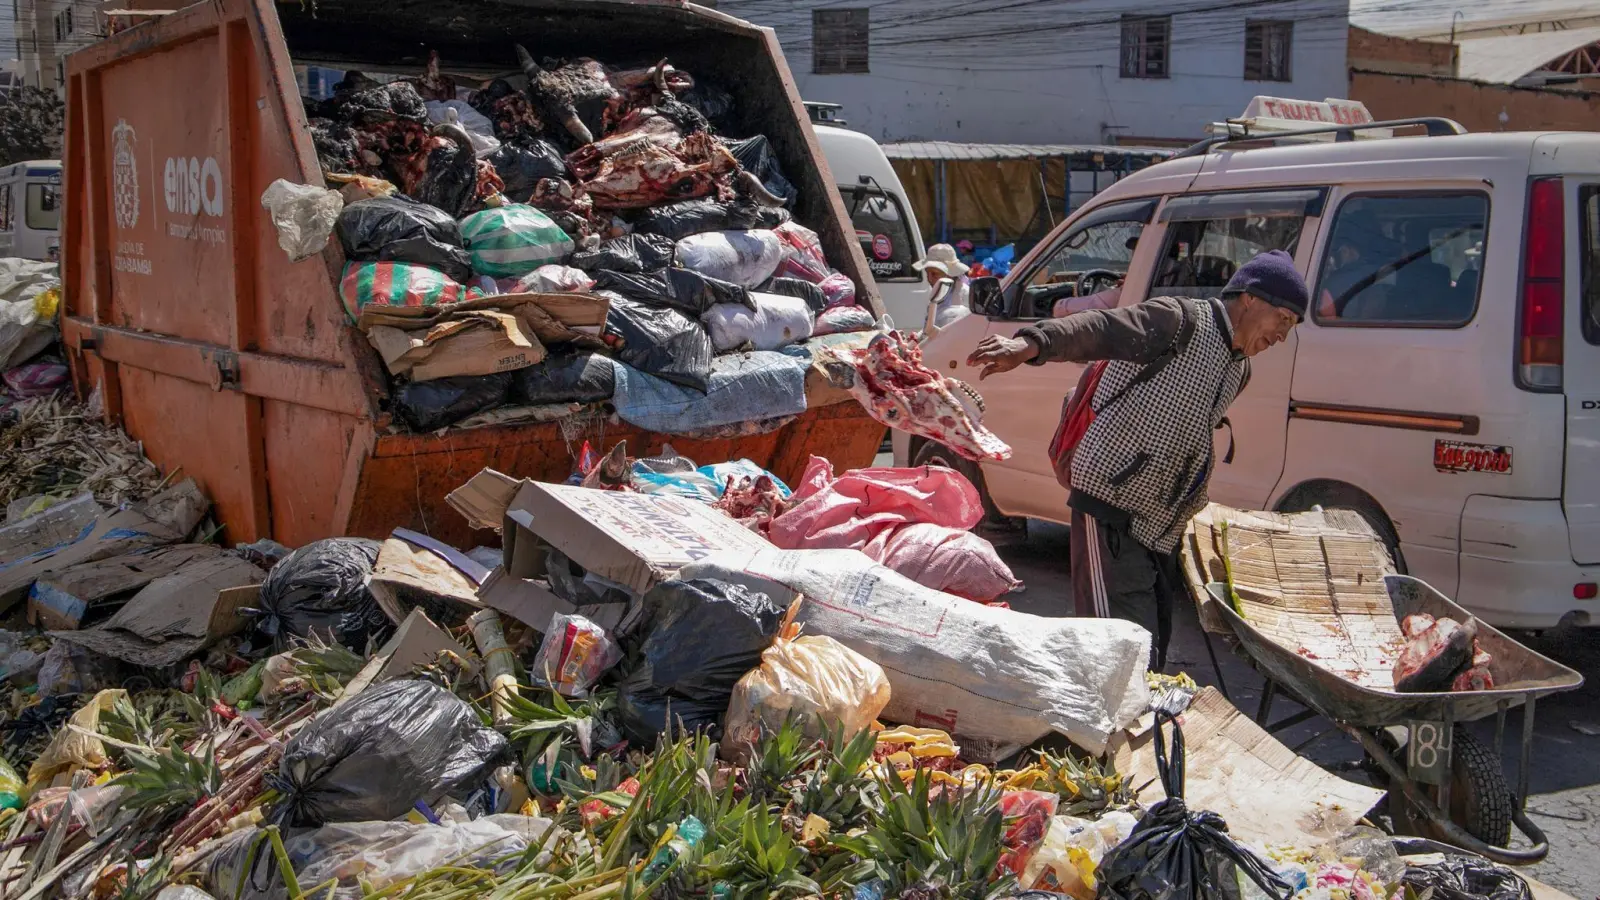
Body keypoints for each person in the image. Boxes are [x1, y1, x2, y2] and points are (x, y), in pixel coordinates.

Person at [966, 249, 1307, 668]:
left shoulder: (1239, 370)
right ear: (1250, 298)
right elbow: (1100, 329)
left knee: (1152, 648)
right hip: (1109, 505)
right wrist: (1030, 343)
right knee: (1115, 650)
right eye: (1284, 320)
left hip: (1159, 528)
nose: (1282, 337)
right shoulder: (1179, 321)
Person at [914, 243, 972, 331]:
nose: (929, 279)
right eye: (927, 273)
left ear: (950, 274)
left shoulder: (966, 296)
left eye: (934, 274)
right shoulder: (938, 292)